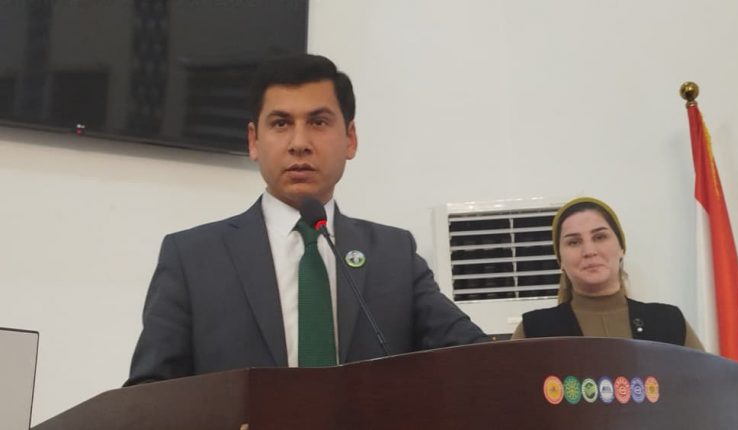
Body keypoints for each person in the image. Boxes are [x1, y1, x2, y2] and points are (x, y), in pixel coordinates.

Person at [125, 54, 487, 385]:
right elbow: (148, 395)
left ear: (350, 139)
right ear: (253, 141)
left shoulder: (393, 255)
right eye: (281, 123)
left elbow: (476, 357)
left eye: (318, 122)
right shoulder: (193, 258)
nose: (299, 142)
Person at [511, 196, 703, 350]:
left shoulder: (669, 322)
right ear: (560, 260)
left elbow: (708, 385)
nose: (589, 251)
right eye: (574, 242)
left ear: (621, 248)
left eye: (600, 237)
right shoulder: (533, 331)